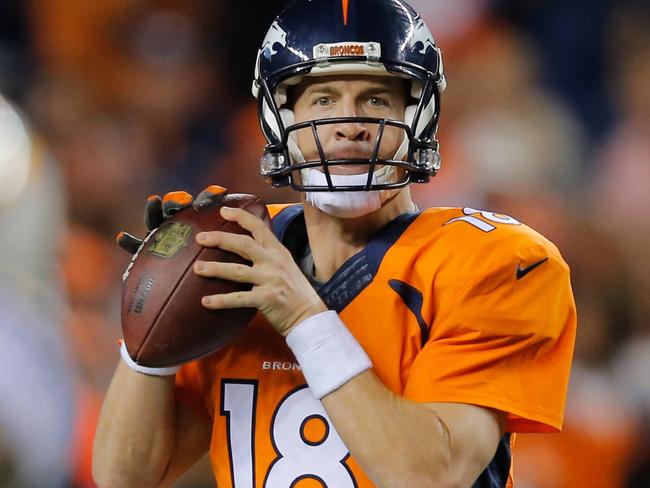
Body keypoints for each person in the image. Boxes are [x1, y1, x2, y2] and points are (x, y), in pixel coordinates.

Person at [93, 1, 576, 487]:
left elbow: (432, 475)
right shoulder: (236, 252)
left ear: (420, 116)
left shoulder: (497, 261)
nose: (349, 123)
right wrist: (149, 340)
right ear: (279, 119)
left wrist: (306, 321)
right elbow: (124, 478)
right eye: (323, 100)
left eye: (375, 99)